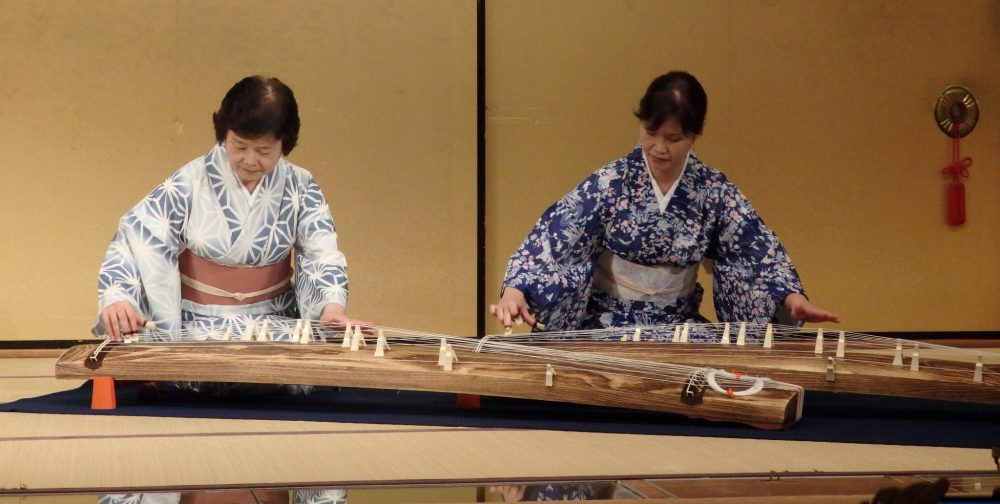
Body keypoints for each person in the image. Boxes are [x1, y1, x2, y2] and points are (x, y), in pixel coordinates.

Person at [490, 71, 838, 335]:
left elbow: (755, 254)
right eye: (650, 132)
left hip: (680, 328)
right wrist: (515, 292)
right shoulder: (610, 183)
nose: (659, 148)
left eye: (674, 138)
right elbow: (553, 242)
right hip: (607, 325)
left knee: (719, 377)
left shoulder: (713, 191)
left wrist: (792, 300)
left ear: (697, 131)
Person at [94, 75, 366, 346]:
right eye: (239, 146)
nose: (250, 160)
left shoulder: (301, 186)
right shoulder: (190, 182)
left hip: (275, 328)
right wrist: (119, 297)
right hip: (196, 328)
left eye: (264, 150)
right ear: (224, 134)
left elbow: (321, 254)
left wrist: (331, 307)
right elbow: (135, 239)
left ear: (285, 143)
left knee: (280, 374)